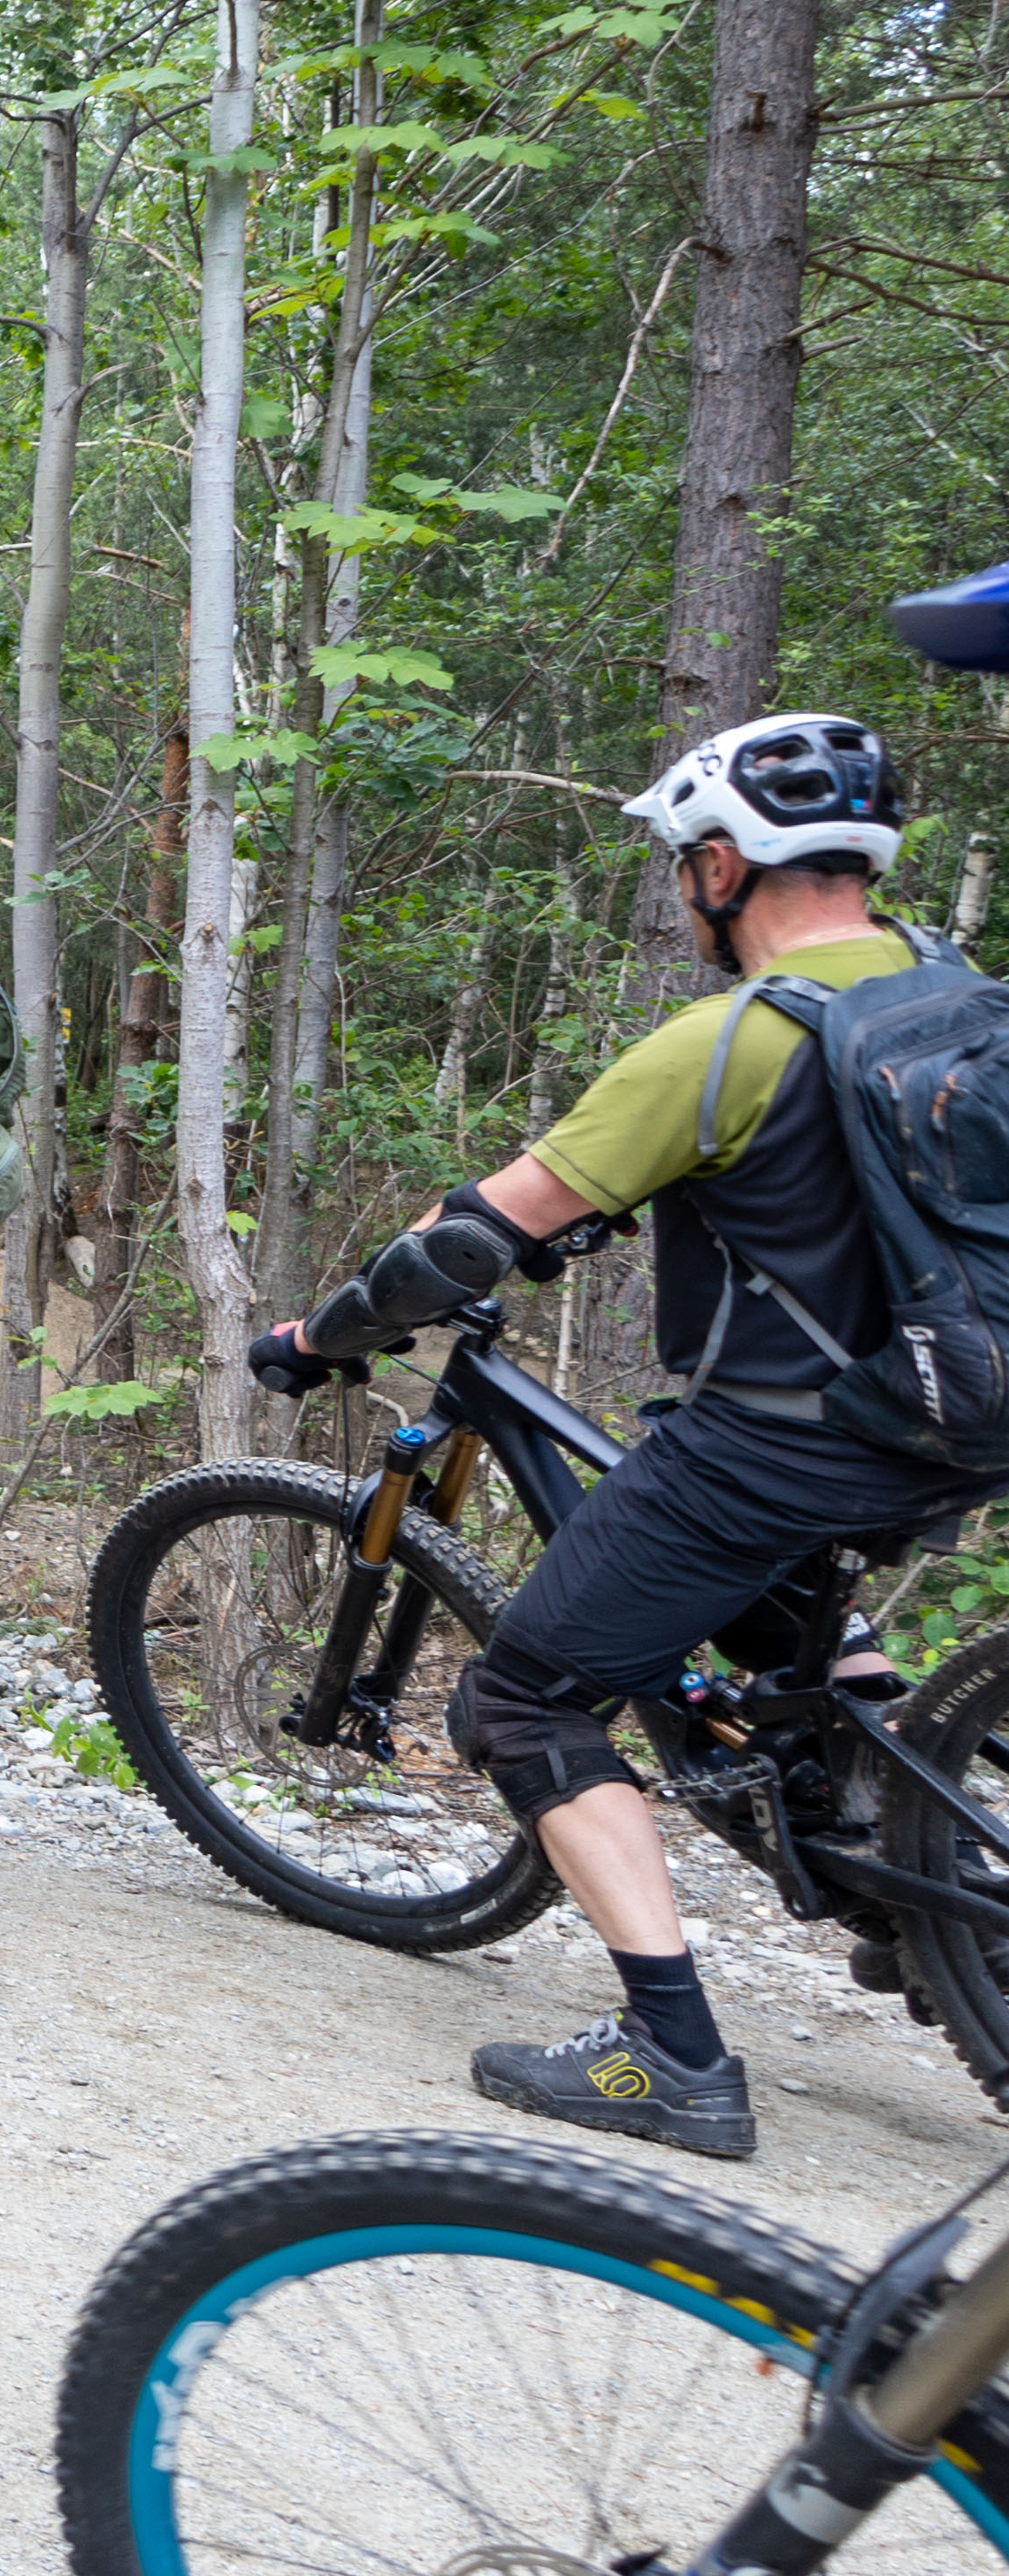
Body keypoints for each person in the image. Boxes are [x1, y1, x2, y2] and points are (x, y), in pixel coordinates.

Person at [254, 711, 974, 2162]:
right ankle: (908, 1864)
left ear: (724, 865)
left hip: (785, 1444)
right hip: (962, 1417)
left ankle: (675, 2056)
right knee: (796, 1633)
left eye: (683, 866)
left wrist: (317, 1339)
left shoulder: (733, 1042)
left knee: (524, 1703)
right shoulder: (960, 998)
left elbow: (473, 1237)